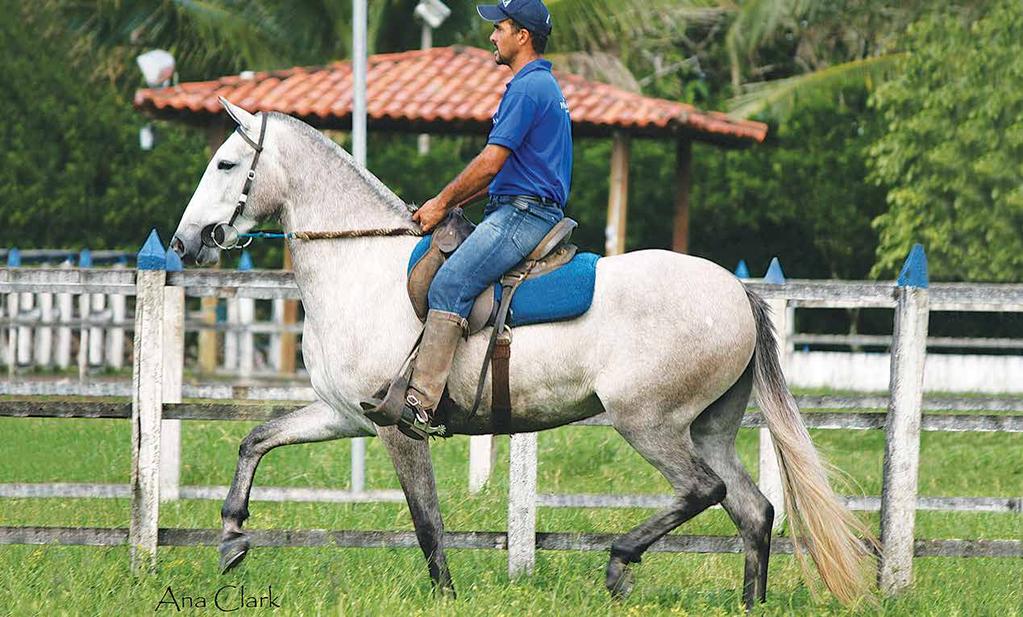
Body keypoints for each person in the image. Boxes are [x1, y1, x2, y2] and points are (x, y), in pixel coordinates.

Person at [397, 0, 573, 439]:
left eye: (500, 28)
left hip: (523, 213)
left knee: (450, 284)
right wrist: (452, 204)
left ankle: (420, 404)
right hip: (517, 204)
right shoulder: (538, 86)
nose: (492, 36)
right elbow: (500, 174)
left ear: (522, 35)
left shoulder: (528, 88)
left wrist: (440, 202)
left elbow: (492, 162)